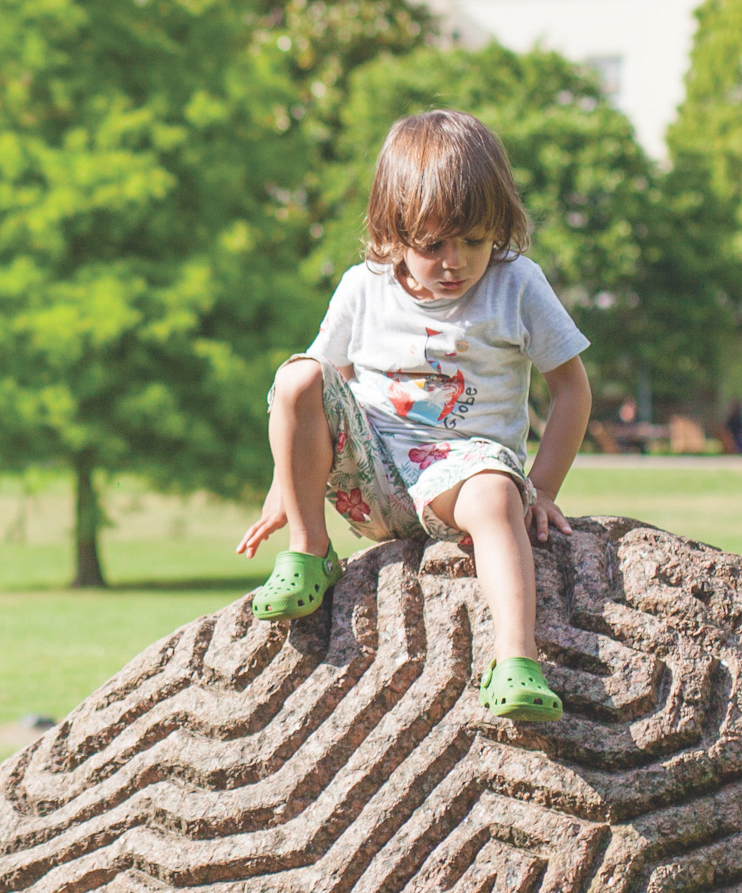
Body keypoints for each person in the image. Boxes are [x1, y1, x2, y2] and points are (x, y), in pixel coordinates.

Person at [234, 108, 593, 723]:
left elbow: (571, 391)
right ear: (392, 230)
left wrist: (544, 490)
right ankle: (309, 549)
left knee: (494, 499)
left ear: (500, 228)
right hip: (371, 472)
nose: (455, 261)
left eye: (475, 241)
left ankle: (514, 660)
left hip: (463, 472)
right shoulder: (362, 287)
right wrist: (283, 487)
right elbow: (320, 392)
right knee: (296, 375)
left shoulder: (518, 286)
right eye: (433, 245)